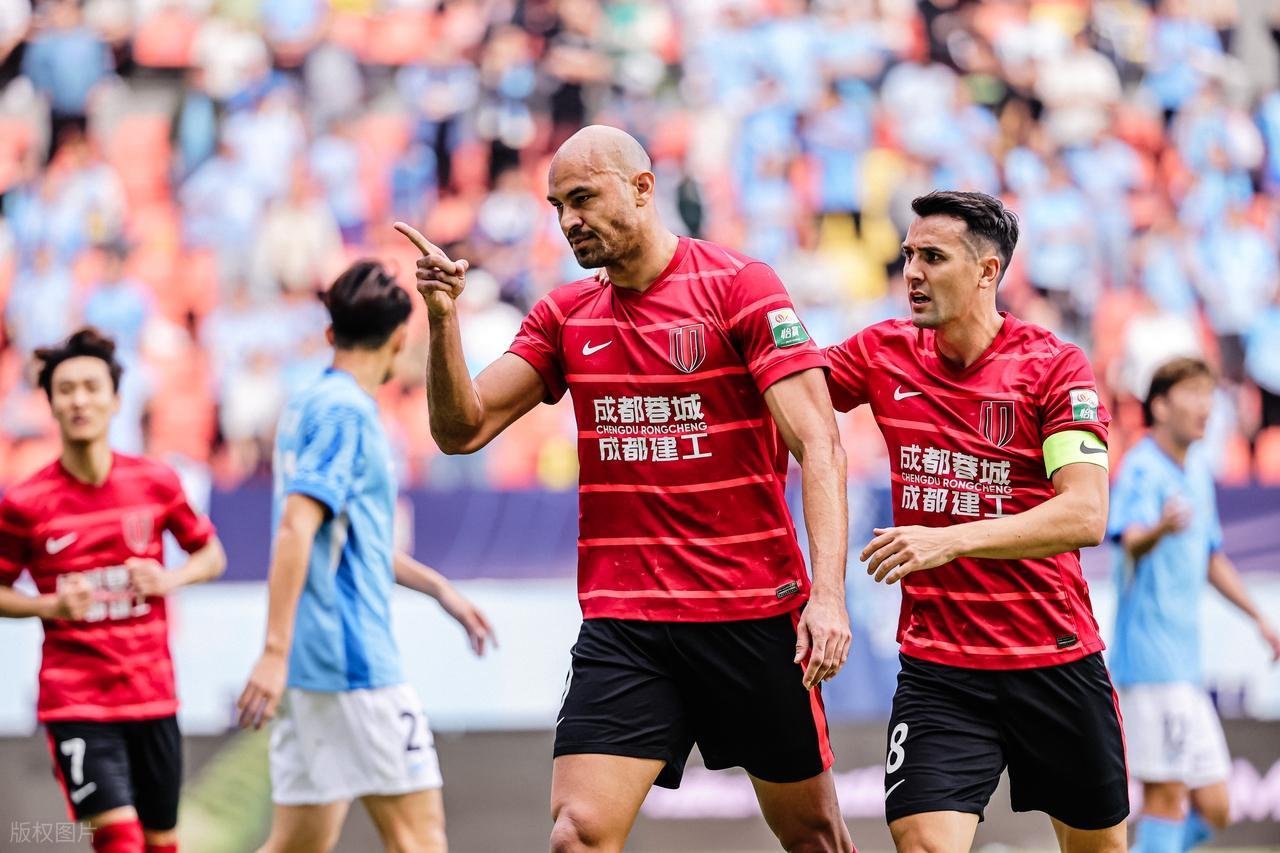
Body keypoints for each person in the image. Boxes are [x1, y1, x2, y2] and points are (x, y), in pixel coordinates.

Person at [396, 124, 854, 853]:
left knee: (814, 837)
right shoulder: (565, 315)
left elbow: (820, 445)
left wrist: (828, 596)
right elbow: (462, 430)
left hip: (749, 611)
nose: (568, 220)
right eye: (557, 206)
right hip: (627, 622)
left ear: (642, 188)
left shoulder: (741, 286)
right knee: (576, 834)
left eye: (582, 198)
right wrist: (444, 319)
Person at [824, 191, 1128, 853]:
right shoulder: (880, 351)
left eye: (932, 257)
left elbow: (1085, 511)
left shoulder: (1054, 367)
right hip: (940, 670)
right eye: (909, 254)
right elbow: (785, 390)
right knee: (924, 843)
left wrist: (950, 541)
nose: (912, 272)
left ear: (988, 271)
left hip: (1052, 657)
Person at [236, 260, 495, 853]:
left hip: (312, 666)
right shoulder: (347, 413)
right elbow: (297, 528)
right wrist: (272, 651)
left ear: (331, 333)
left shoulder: (306, 404)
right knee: (420, 840)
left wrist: (439, 589)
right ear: (401, 339)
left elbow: (350, 539)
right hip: (353, 661)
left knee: (297, 844)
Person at [0, 328, 226, 853]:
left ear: (116, 400)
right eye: (66, 390)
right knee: (119, 840)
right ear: (50, 404)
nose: (79, 400)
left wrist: (169, 579)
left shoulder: (155, 482)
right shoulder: (25, 502)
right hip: (77, 701)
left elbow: (212, 555)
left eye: (91, 387)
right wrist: (49, 605)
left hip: (153, 695)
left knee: (161, 843)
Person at [1108, 357, 1280, 853]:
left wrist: (1259, 618)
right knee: (1166, 798)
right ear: (1160, 406)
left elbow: (1209, 555)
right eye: (1193, 393)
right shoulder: (1142, 467)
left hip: (1184, 667)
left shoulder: (1197, 470)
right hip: (1149, 666)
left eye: (1209, 394)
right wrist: (1160, 529)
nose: (1206, 406)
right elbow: (1129, 539)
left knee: (1216, 806)